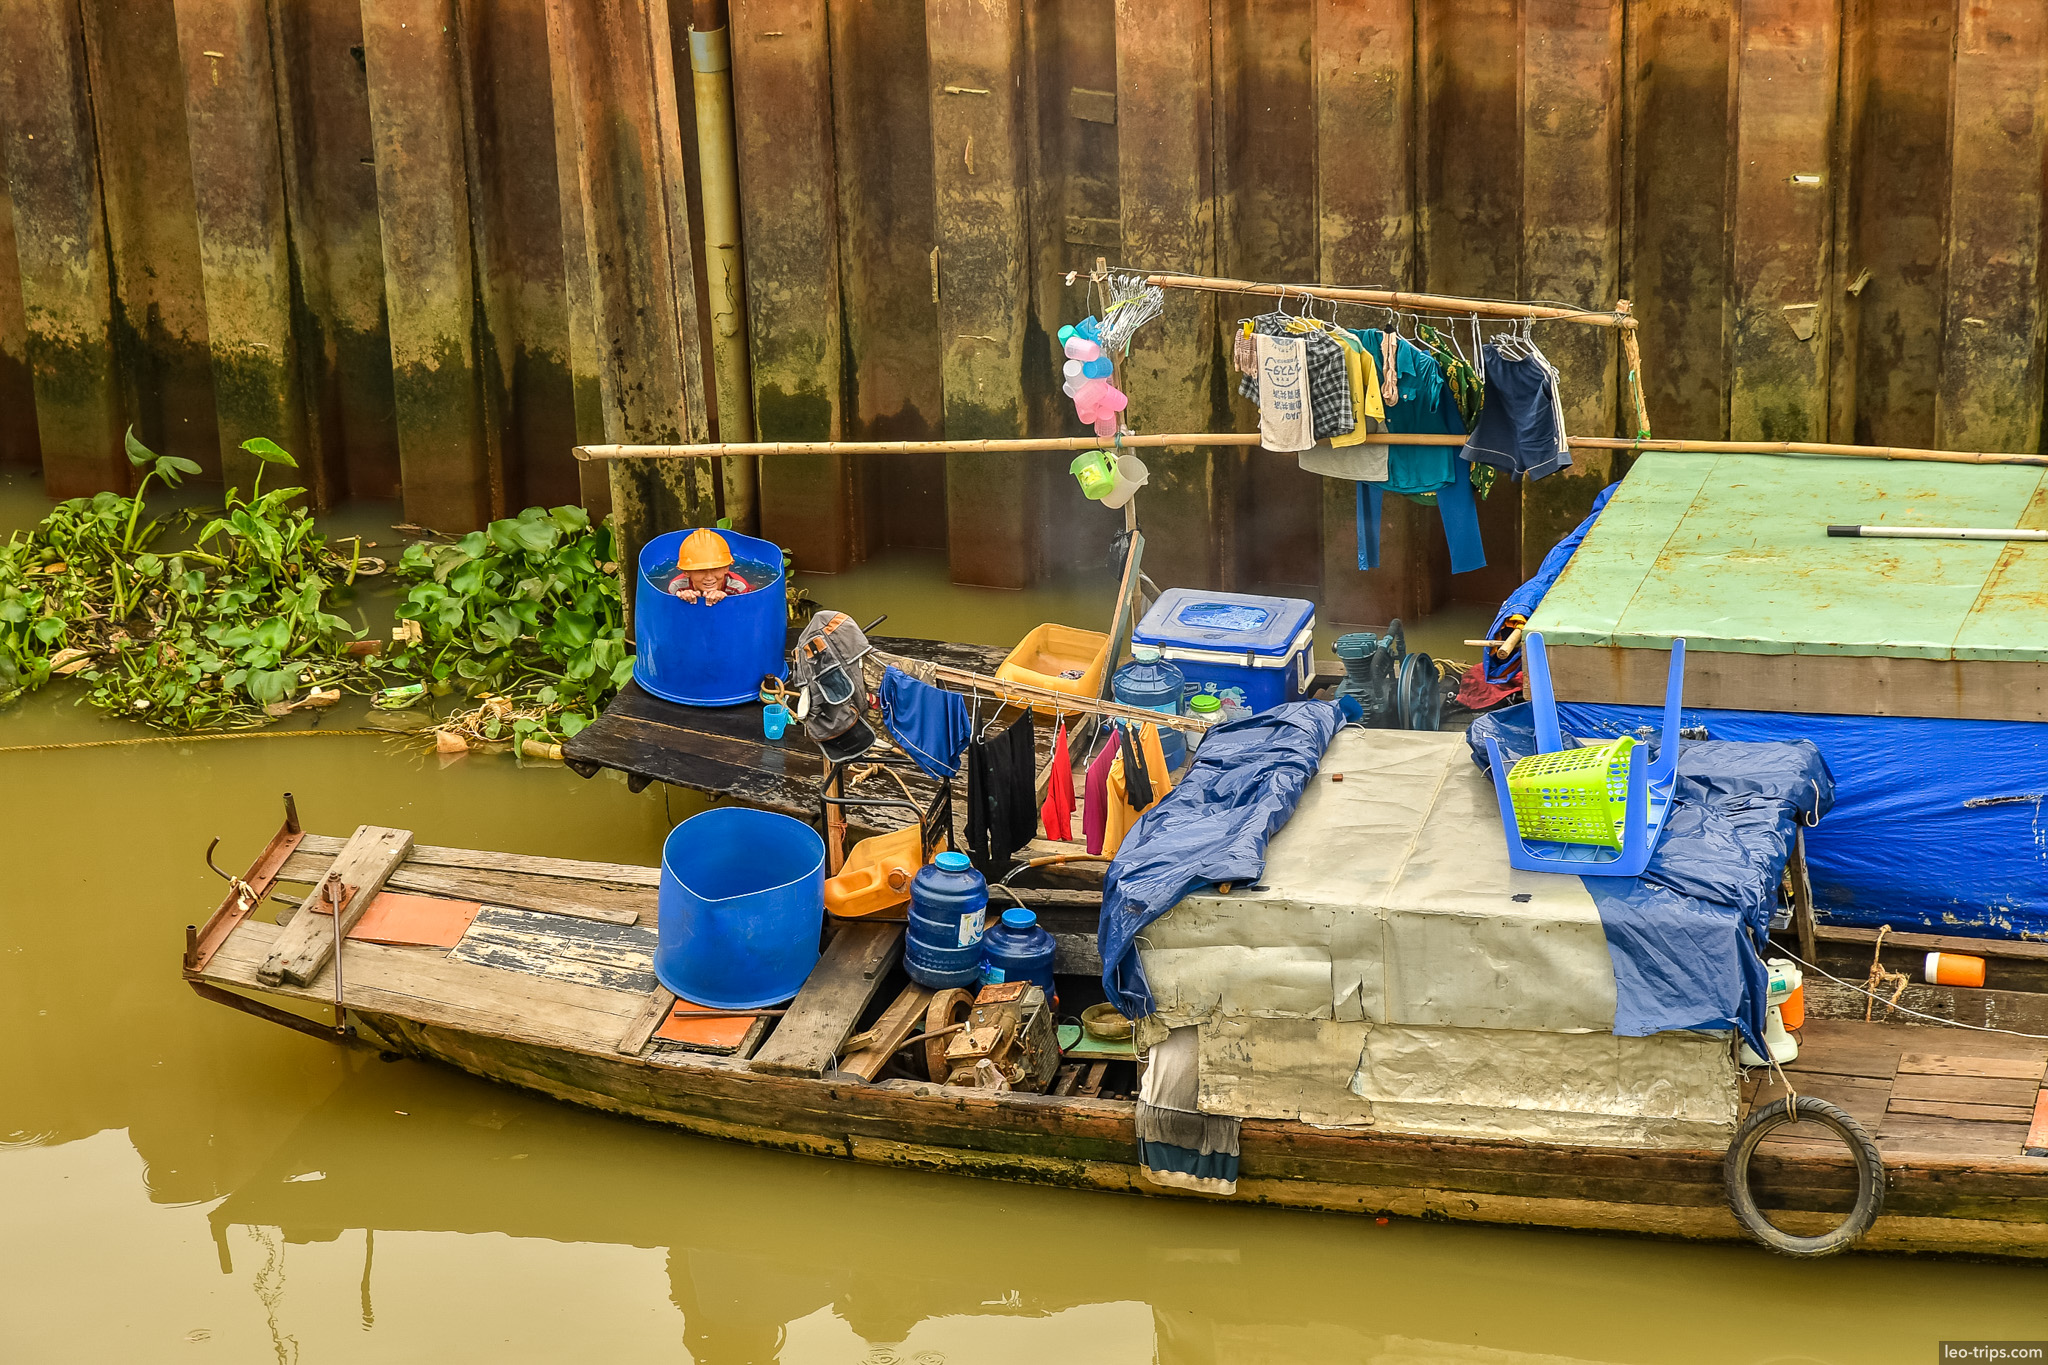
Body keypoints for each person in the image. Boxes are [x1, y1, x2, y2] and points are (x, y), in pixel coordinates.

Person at [668, 528, 751, 604]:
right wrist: (680, 601)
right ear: (686, 572)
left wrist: (728, 599)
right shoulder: (677, 587)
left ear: (726, 568)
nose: (709, 577)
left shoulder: (739, 587)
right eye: (700, 570)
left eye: (715, 569)